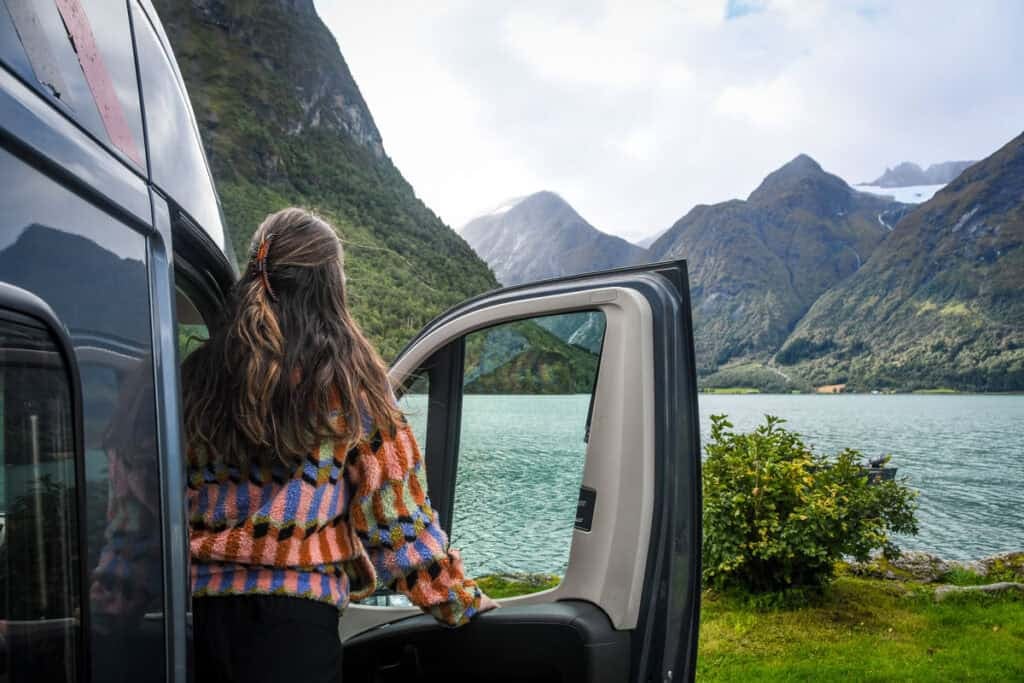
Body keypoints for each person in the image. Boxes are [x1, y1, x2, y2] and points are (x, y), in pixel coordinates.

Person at [181, 208, 496, 682]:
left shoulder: (193, 376)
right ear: (332, 286)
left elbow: (136, 498)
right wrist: (460, 600)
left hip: (192, 621)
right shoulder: (350, 382)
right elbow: (398, 522)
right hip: (294, 632)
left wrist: (109, 602)